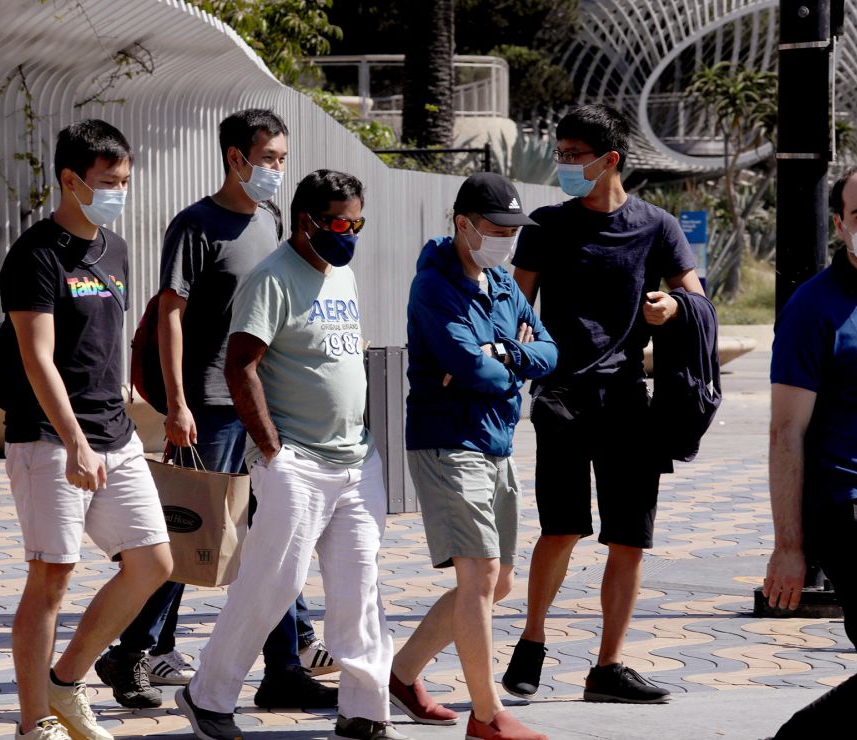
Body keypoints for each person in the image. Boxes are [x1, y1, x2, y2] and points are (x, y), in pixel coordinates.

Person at [96, 108, 337, 711]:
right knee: (190, 534)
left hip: (260, 406)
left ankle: (282, 668)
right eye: (270, 158)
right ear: (237, 158)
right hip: (208, 407)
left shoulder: (272, 219)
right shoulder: (195, 226)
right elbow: (170, 313)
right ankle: (133, 652)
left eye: (283, 158)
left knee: (273, 535)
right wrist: (177, 405)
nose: (278, 169)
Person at [176, 170, 410, 740]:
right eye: (337, 222)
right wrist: (271, 450)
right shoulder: (271, 279)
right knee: (271, 584)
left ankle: (363, 710)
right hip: (296, 463)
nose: (349, 232)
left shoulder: (343, 274)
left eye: (357, 222)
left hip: (357, 462)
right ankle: (208, 695)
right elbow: (240, 366)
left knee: (359, 591)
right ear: (305, 221)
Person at [503, 104, 702, 703]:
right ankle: (532, 640)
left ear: (609, 160)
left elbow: (695, 300)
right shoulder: (545, 225)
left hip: (627, 402)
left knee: (628, 538)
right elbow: (514, 306)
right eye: (560, 153)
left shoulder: (657, 227)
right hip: (561, 398)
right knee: (561, 529)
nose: (562, 164)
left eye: (572, 156)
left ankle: (608, 667)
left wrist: (671, 307)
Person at [0, 120, 173, 740]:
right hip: (49, 437)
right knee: (52, 577)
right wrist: (73, 440)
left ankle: (65, 682)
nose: (119, 190)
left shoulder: (116, 248)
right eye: (107, 181)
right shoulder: (35, 254)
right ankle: (33, 719)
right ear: (70, 180)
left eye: (124, 180)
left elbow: (106, 342)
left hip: (116, 433)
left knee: (152, 562)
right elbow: (37, 357)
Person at [390, 173, 557, 740]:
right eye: (497, 227)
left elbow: (548, 350)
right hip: (448, 441)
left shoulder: (504, 284)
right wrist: (504, 362)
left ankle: (402, 673)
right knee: (481, 574)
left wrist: (503, 351)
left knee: (497, 580)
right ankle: (486, 716)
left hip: (497, 440)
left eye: (514, 228)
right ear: (462, 224)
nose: (508, 238)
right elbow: (470, 368)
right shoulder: (434, 288)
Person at [763, 163, 857, 739]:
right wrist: (789, 547)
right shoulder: (814, 307)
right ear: (840, 224)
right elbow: (785, 432)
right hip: (854, 507)